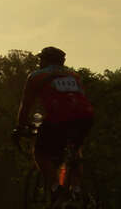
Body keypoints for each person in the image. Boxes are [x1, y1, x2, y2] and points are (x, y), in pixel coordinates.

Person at [14, 47, 95, 190]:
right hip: (85, 116)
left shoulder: (37, 76)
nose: (39, 63)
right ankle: (76, 190)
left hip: (59, 117)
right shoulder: (74, 75)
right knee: (75, 150)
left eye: (41, 60)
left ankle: (55, 187)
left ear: (45, 61)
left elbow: (26, 105)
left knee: (40, 153)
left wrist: (20, 127)